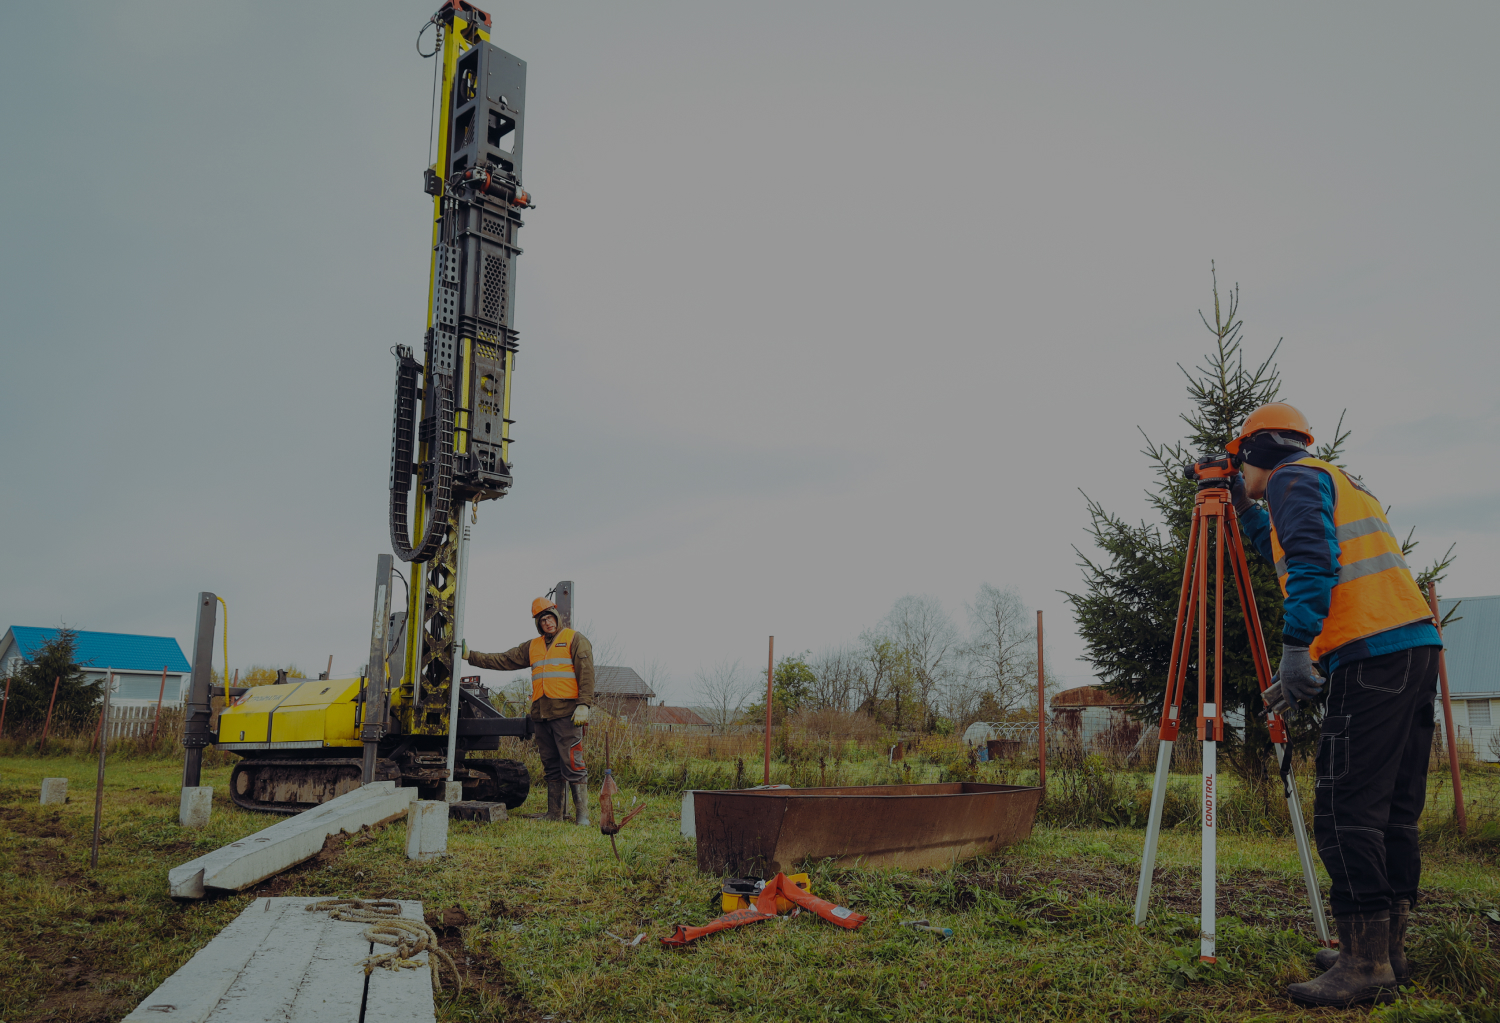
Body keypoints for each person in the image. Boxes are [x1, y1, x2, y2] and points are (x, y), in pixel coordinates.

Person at [1226, 402, 1443, 1008]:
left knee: (1345, 811)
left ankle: (1364, 962)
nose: (1241, 470)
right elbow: (1281, 539)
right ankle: (1388, 950)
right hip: (1413, 649)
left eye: (1243, 459)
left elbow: (1311, 563)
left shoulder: (1292, 479)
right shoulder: (1333, 480)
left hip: (1371, 655)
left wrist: (1296, 650)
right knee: (1392, 811)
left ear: (1260, 452)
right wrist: (1242, 508)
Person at [465, 597, 595, 824]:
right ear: (538, 623)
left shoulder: (575, 639)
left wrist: (584, 704)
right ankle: (554, 814)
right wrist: (471, 656)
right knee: (551, 766)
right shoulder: (532, 646)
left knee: (573, 764)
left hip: (567, 714)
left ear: (556, 616)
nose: (547, 623)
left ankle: (582, 816)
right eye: (542, 620)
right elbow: (504, 659)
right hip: (542, 715)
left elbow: (586, 672)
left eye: (550, 617)